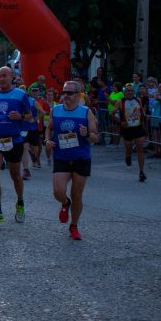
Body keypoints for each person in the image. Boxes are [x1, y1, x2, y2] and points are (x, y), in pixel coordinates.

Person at [45, 81, 98, 240]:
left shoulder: (86, 112)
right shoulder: (55, 110)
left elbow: (95, 137)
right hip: (61, 157)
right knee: (58, 192)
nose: (65, 96)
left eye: (69, 93)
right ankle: (65, 203)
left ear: (78, 95)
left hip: (81, 158)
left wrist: (86, 134)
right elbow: (49, 128)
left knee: (77, 194)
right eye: (64, 92)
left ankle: (74, 226)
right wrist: (47, 140)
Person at [0, 66, 33, 223]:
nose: (1, 78)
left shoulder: (20, 94)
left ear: (12, 77)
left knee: (15, 175)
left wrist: (20, 116)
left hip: (14, 140)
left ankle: (20, 202)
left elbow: (30, 117)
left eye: (4, 75)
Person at [114, 85, 147, 182]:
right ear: (125, 92)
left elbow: (141, 112)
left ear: (134, 92)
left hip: (138, 128)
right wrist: (120, 122)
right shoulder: (120, 101)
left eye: (131, 91)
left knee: (140, 148)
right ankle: (128, 155)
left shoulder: (138, 100)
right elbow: (112, 113)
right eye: (128, 91)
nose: (129, 92)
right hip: (127, 129)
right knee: (128, 147)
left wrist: (144, 117)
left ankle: (141, 172)